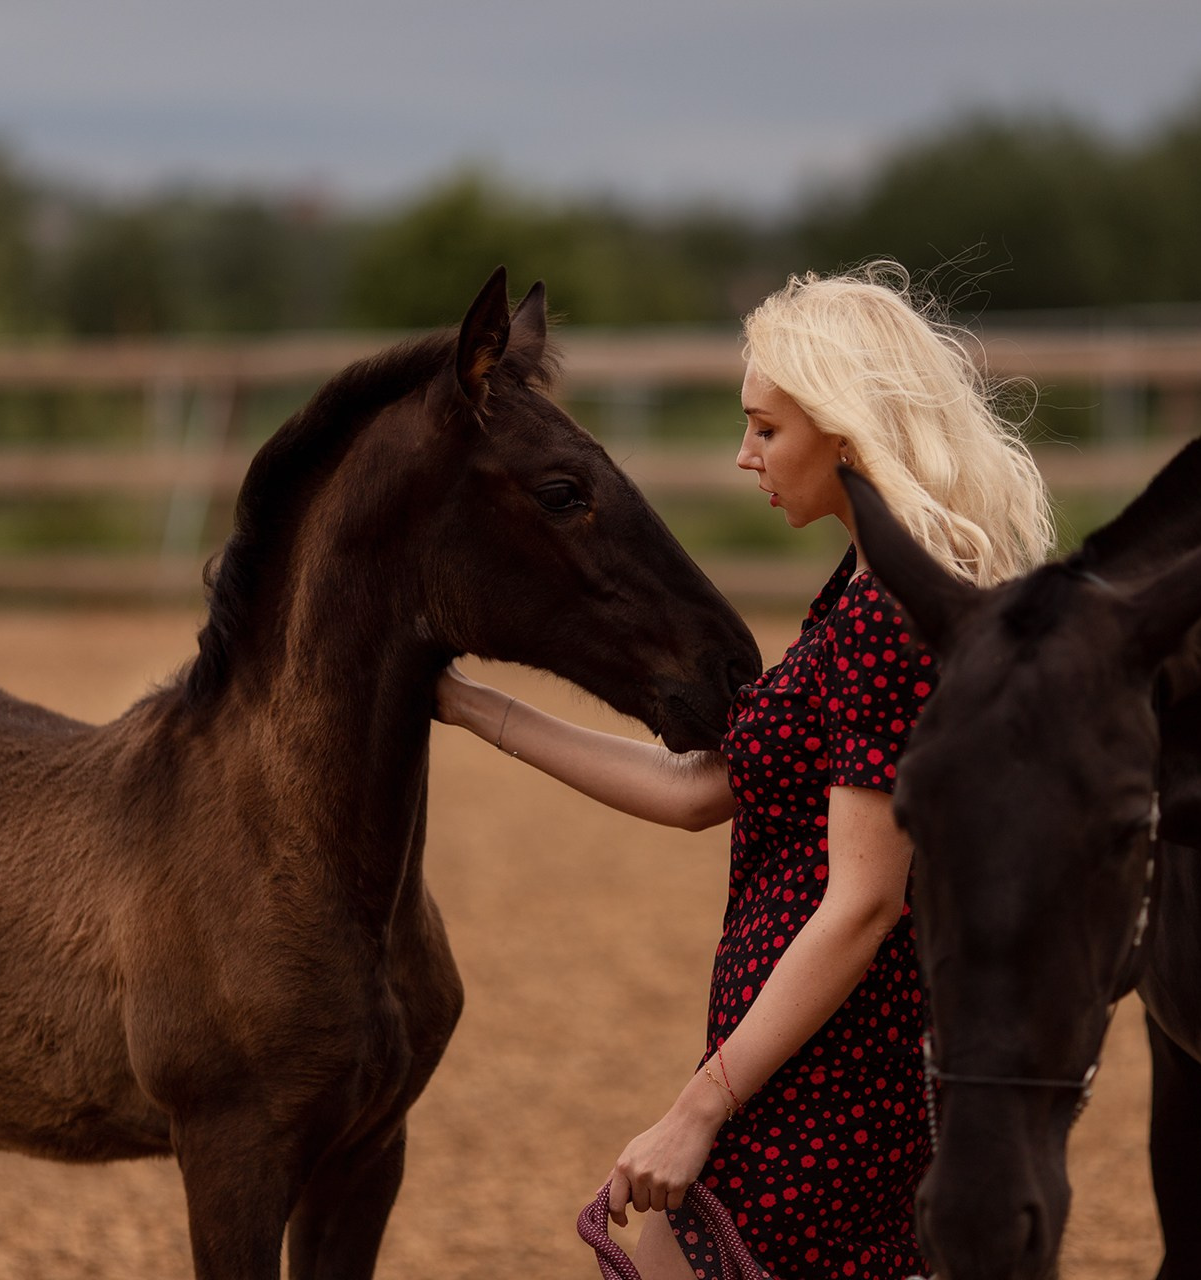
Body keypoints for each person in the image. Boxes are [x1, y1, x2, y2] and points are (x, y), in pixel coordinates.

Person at [435, 264, 1053, 1280]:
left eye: (767, 429)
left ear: (844, 429)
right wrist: (472, 704)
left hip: (829, 1078)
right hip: (817, 1056)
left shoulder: (885, 617)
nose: (742, 455)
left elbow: (864, 901)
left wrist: (698, 1107)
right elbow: (697, 789)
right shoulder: (869, 585)